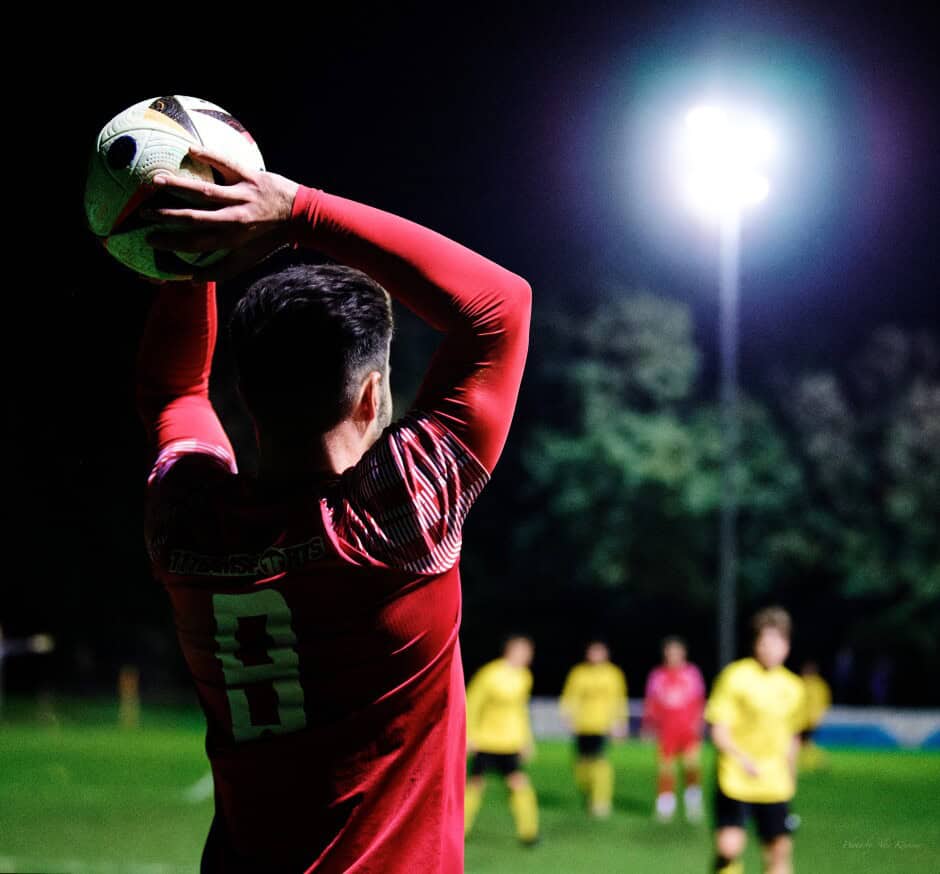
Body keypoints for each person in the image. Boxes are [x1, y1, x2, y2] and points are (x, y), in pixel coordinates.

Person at [137, 143, 531, 873]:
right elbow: (500, 306)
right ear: (371, 395)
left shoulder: (186, 522)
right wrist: (295, 209)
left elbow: (177, 393)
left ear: (245, 399)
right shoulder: (395, 521)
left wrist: (188, 264)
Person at [705, 607, 806, 874]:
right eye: (764, 641)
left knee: (778, 851)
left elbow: (792, 735)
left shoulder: (794, 687)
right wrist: (741, 758)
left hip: (774, 780)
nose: (770, 648)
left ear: (787, 646)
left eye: (777, 642)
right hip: (736, 775)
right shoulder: (735, 676)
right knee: (729, 848)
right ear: (755, 643)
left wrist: (791, 772)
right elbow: (718, 729)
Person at [464, 636, 539, 845]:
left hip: (510, 743)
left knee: (518, 784)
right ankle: (459, 830)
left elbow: (521, 711)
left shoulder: (525, 677)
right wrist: (468, 735)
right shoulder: (489, 674)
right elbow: (472, 704)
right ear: (509, 650)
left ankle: (529, 833)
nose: (526, 656)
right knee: (475, 785)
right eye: (522, 651)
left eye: (528, 652)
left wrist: (526, 740)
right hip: (485, 741)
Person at [559, 640, 627, 817]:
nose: (596, 655)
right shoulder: (579, 673)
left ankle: (601, 801)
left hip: (603, 725)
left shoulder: (613, 674)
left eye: (599, 652)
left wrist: (619, 722)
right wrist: (568, 716)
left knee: (600, 762)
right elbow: (570, 696)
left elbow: (619, 699)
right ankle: (589, 791)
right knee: (581, 765)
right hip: (582, 725)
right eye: (593, 652)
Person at [642, 635, 706, 823]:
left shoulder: (692, 673)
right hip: (666, 731)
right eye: (670, 652)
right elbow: (651, 703)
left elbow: (699, 700)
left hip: (687, 730)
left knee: (692, 768)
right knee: (665, 770)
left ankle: (693, 804)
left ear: (683, 653)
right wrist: (648, 724)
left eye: (676, 651)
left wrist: (699, 721)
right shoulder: (657, 675)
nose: (673, 655)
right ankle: (665, 807)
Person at [798, 661, 831, 772]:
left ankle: (819, 760)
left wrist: (818, 716)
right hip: (805, 719)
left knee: (804, 742)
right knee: (805, 742)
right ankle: (816, 761)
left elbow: (823, 703)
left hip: (809, 720)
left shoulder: (813, 685)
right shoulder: (816, 684)